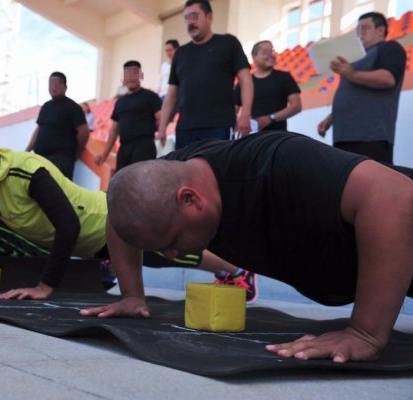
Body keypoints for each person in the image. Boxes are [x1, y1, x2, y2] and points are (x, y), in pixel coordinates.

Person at [80, 131, 413, 364]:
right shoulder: (172, 177)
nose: (170, 255)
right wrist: (132, 295)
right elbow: (122, 211)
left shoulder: (278, 162)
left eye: (171, 241)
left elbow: (394, 197)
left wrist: (365, 332)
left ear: (190, 200)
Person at [0, 141, 256, 301]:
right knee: (162, 259)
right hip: (86, 243)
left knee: (172, 253)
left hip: (104, 222)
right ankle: (233, 269)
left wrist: (45, 286)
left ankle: (239, 270)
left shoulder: (25, 171)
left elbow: (68, 224)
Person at [156, 0, 253, 149]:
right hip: (185, 129)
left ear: (209, 17)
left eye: (195, 16)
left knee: (216, 171)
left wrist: (245, 115)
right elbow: (171, 95)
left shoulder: (228, 43)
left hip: (219, 125)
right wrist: (162, 127)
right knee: (185, 171)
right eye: (187, 18)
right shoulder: (180, 53)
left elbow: (246, 80)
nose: (191, 22)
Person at [318, 12, 406, 163]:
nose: (360, 32)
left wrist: (351, 74)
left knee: (371, 184)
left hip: (371, 137)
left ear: (381, 30)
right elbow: (353, 94)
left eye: (366, 27)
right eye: (358, 28)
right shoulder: (353, 60)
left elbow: (388, 78)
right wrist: (331, 118)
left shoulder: (389, 48)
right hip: (343, 137)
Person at [95, 60, 162, 172]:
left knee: (141, 182)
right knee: (122, 183)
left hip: (144, 147)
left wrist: (155, 132)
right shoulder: (120, 102)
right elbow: (114, 130)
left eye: (135, 74)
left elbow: (160, 119)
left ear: (140, 75)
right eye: (128, 75)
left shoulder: (151, 96)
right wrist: (104, 154)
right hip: (124, 148)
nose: (131, 78)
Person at [26, 71, 89, 179]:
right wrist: (27, 149)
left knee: (58, 191)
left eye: (56, 84)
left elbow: (83, 132)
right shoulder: (46, 106)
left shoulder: (73, 107)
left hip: (62, 159)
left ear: (65, 87)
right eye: (50, 84)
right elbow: (39, 129)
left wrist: (77, 151)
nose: (53, 87)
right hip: (41, 158)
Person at [235, 40, 302, 132]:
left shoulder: (284, 77)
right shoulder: (246, 82)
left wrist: (271, 118)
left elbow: (296, 106)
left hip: (278, 136)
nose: (271, 55)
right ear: (254, 57)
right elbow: (234, 108)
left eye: (272, 51)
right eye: (265, 52)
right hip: (252, 136)